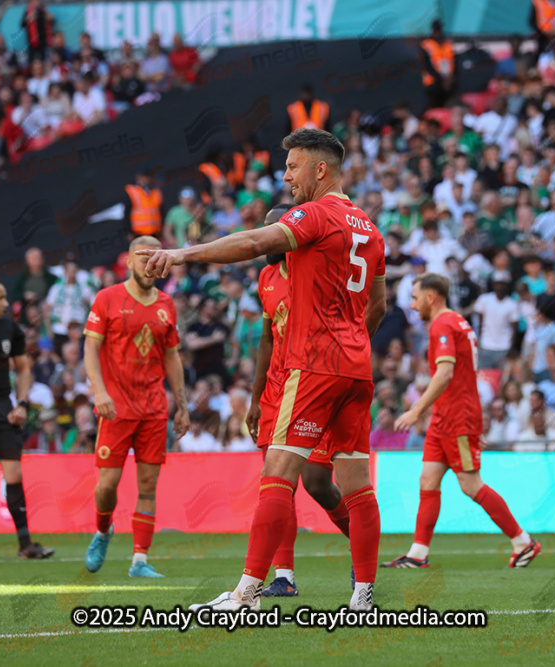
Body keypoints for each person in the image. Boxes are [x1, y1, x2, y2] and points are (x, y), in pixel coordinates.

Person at [140, 129, 386, 611]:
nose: (286, 175)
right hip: (356, 368)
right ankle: (364, 598)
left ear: (320, 169)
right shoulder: (370, 228)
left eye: (293, 166)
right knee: (357, 484)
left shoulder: (316, 213)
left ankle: (244, 594)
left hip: (314, 363)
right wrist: (350, 343)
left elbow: (254, 240)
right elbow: (376, 308)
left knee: (277, 476)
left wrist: (182, 253)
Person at [383, 274, 540, 569]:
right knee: (427, 479)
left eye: (416, 298)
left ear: (431, 296)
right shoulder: (457, 322)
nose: (413, 306)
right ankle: (418, 554)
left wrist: (416, 410)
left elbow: (444, 373)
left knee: (470, 485)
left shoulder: (443, 324)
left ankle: (523, 542)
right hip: (447, 415)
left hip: (457, 416)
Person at [244, 206, 352, 598]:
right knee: (278, 484)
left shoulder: (319, 269)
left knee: (318, 483)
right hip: (276, 390)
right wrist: (255, 398)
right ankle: (283, 577)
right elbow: (267, 338)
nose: (267, 237)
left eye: (274, 230)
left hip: (315, 383)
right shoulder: (267, 277)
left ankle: (362, 548)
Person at [82, 237, 189, 577]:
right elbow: (89, 350)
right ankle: (103, 530)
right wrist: (99, 392)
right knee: (106, 486)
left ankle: (140, 560)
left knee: (147, 485)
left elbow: (172, 358)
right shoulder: (107, 299)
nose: (148, 263)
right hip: (115, 407)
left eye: (154, 257)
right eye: (140, 257)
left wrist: (182, 406)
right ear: (127, 262)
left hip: (154, 409)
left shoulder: (167, 305)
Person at [0, 279, 53, 561]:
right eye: (1, 298)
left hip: (2, 412)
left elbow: (23, 368)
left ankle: (25, 545)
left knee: (15, 475)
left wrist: (21, 404)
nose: (7, 304)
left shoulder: (9, 328)